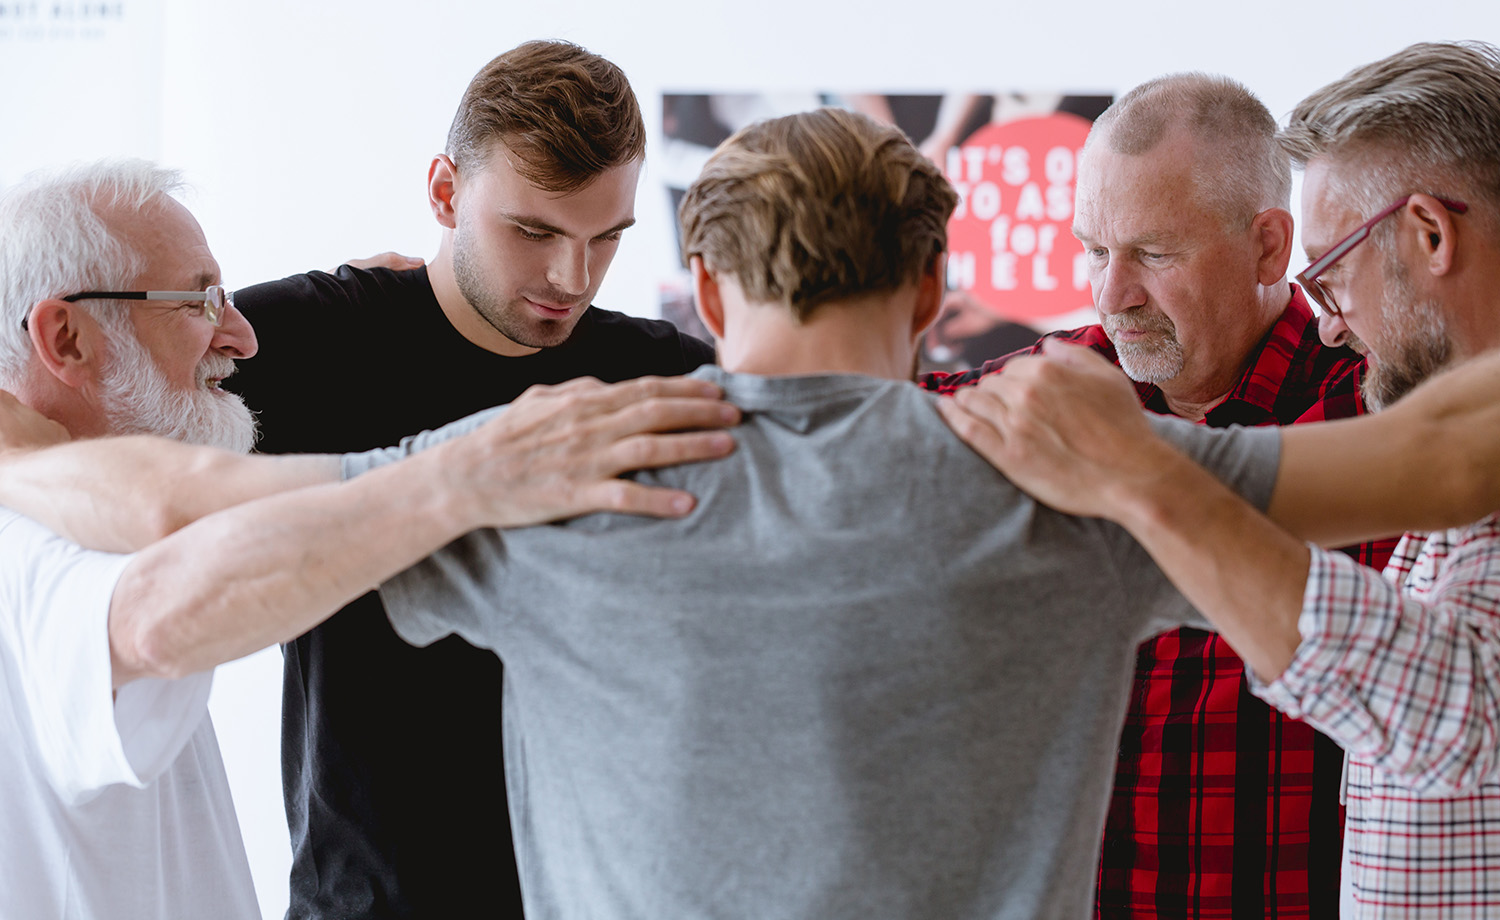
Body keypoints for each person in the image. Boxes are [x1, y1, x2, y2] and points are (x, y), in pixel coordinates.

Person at [6, 109, 1500, 917]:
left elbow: (176, 502)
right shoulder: (1088, 475)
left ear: (707, 298)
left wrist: (12, 442)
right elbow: (1450, 456)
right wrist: (1150, 470)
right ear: (930, 296)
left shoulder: (544, 473)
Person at [0, 158, 738, 920]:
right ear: (66, 337)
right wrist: (476, 469)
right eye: (199, 300)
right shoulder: (26, 545)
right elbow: (159, 600)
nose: (246, 337)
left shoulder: (72, 512)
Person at [941, 40, 1500, 918]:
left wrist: (1135, 469)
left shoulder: (1404, 413)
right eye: (1093, 250)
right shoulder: (1062, 386)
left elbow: (1455, 712)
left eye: (1154, 254)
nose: (1110, 295)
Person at [218, 40, 717, 918]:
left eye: (607, 238)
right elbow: (69, 390)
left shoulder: (665, 378)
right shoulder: (299, 341)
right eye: (533, 232)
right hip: (366, 901)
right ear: (446, 192)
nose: (573, 278)